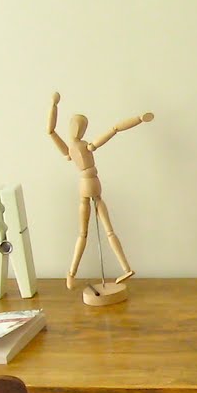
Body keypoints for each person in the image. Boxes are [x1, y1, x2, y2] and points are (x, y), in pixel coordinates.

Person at [48, 92, 154, 289]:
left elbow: (51, 131)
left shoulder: (69, 150)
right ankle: (123, 267)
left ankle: (72, 273)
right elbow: (114, 130)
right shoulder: (85, 147)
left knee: (84, 233)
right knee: (107, 229)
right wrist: (139, 119)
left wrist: (54, 106)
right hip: (92, 184)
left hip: (84, 186)